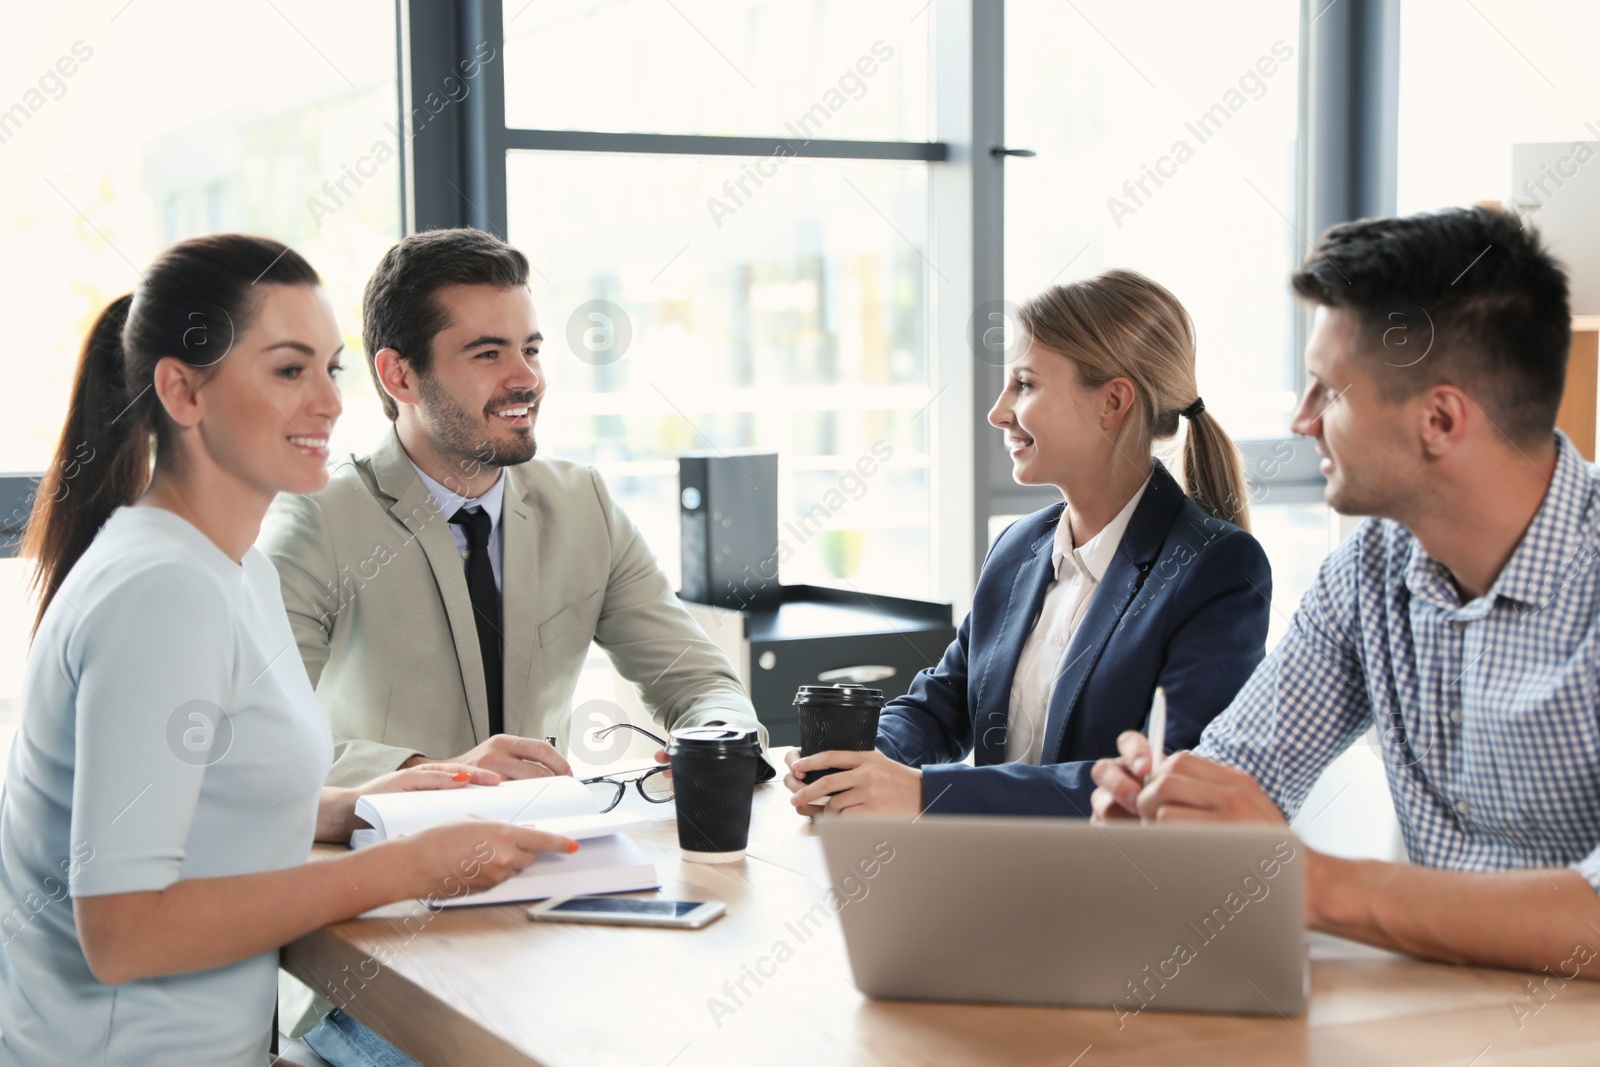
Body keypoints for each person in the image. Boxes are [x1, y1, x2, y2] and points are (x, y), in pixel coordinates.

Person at [0, 234, 574, 1067]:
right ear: (182, 392)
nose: (330, 403)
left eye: (331, 369)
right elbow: (122, 932)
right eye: (287, 369)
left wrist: (363, 803)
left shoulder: (233, 570)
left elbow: (184, 809)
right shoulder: (162, 592)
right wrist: (408, 865)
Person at [257, 227, 771, 1059]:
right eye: (488, 352)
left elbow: (699, 680)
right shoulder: (317, 520)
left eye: (529, 347)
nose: (526, 376)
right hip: (383, 945)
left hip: (554, 903)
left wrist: (713, 743)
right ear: (398, 374)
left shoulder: (583, 504)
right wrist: (444, 775)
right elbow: (258, 755)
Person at [1090, 207, 1600, 978]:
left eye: (1328, 392)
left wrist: (1311, 879)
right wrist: (1166, 805)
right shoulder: (1368, 569)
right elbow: (1240, 769)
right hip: (1435, 1016)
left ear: (1439, 419)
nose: (1301, 421)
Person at [786, 270, 1271, 818]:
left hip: (1114, 893)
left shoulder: (1215, 568)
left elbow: (1160, 780)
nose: (999, 412)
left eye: (1025, 384)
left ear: (1112, 402)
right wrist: (857, 762)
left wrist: (928, 793)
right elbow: (942, 705)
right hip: (991, 877)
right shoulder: (1019, 548)